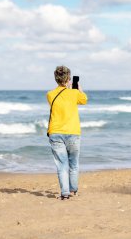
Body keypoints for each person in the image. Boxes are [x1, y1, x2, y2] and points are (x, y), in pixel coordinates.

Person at [46, 65, 88, 200]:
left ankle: (64, 193)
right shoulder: (75, 93)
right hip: (73, 132)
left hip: (55, 132)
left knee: (61, 164)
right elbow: (84, 100)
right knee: (73, 164)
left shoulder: (50, 94)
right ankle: (73, 190)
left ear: (56, 79)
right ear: (69, 79)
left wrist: (68, 87)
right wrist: (78, 88)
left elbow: (61, 102)